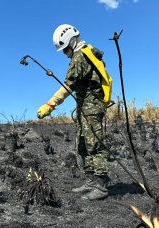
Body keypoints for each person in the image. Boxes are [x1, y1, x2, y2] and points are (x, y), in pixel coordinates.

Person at [37, 24, 111, 201]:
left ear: (71, 40)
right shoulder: (82, 55)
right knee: (83, 144)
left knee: (95, 145)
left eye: (65, 49)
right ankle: (91, 181)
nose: (64, 53)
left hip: (91, 108)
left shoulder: (80, 57)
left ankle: (101, 186)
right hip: (84, 107)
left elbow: (68, 86)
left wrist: (50, 104)